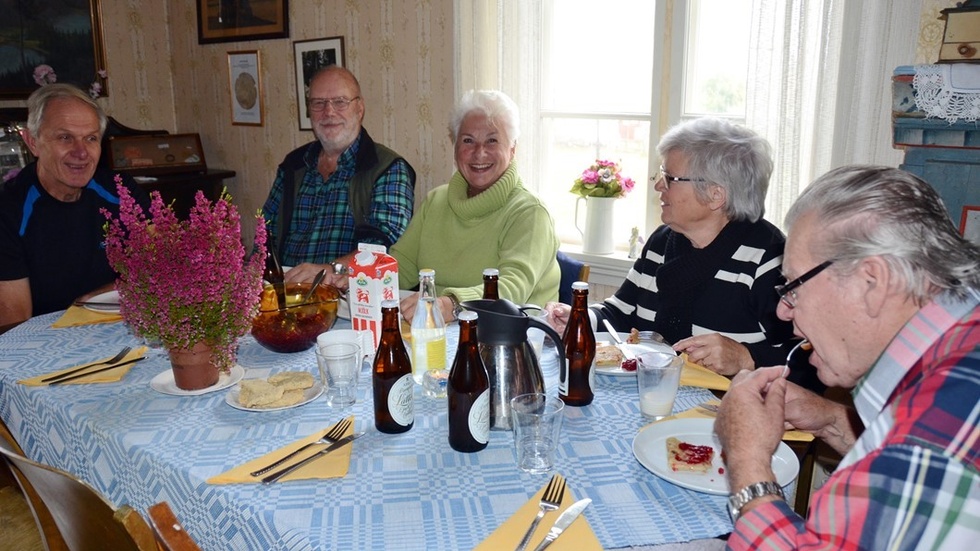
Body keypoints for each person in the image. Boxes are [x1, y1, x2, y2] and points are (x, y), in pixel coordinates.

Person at [715, 165, 979, 549]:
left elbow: (914, 459)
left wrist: (747, 460)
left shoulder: (923, 447)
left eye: (793, 287)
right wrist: (833, 421)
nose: (783, 311)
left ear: (872, 282)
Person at [546, 117, 810, 384]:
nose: (659, 185)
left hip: (727, 411)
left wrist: (746, 357)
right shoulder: (662, 241)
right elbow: (620, 314)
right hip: (654, 398)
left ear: (716, 195)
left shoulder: (770, 259)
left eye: (669, 178)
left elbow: (808, 362)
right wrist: (580, 319)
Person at [391, 89, 560, 321]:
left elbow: (512, 290)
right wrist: (357, 277)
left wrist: (451, 305)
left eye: (492, 140)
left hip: (511, 341)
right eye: (468, 141)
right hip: (437, 330)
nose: (479, 153)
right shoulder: (436, 201)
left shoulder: (530, 212)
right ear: (455, 148)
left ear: (512, 149)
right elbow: (399, 267)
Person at [0, 84, 150, 326]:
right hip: (46, 346)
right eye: (65, 137)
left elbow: (166, 267)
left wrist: (95, 298)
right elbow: (13, 325)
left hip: (121, 331)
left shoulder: (120, 190)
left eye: (91, 138)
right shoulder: (8, 212)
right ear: (32, 142)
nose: (81, 153)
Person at [261, 65, 416, 288]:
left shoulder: (388, 169)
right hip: (285, 295)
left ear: (360, 108)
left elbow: (383, 249)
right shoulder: (293, 166)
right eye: (318, 103)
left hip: (349, 300)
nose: (329, 112)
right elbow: (263, 237)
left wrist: (329, 270)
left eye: (340, 102)